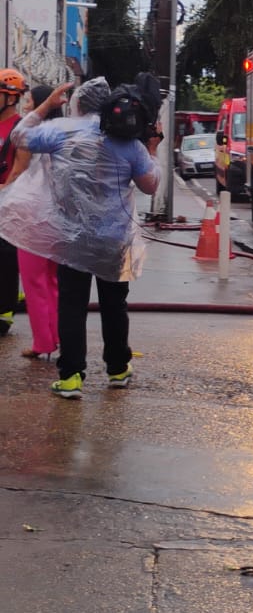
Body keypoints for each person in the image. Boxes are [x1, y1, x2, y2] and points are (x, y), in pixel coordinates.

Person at [0, 77, 161, 399]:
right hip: (114, 240)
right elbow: (150, 186)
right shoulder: (129, 143)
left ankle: (71, 376)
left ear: (77, 104)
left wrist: (45, 105)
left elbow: (19, 136)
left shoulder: (61, 132)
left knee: (72, 305)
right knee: (114, 305)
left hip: (70, 238)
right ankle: (117, 369)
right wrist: (152, 149)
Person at [13, 84, 67, 359]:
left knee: (34, 283)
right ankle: (55, 336)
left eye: (29, 101)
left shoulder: (32, 136)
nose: (25, 106)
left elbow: (17, 171)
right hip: (58, 217)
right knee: (52, 280)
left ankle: (43, 342)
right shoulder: (65, 135)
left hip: (32, 216)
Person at [0, 68, 28, 336]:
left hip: (8, 203)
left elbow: (20, 169)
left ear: (11, 98)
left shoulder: (20, 129)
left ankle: (4, 313)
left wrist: (4, 192)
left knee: (6, 259)